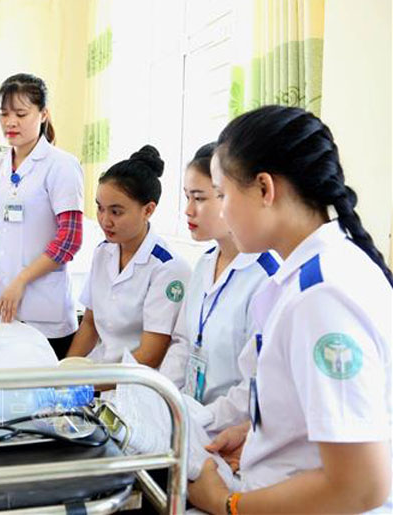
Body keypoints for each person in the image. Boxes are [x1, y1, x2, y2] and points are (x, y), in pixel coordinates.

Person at [188, 105, 391, 514]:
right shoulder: (311, 274)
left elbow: (361, 486)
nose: (221, 211)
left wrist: (228, 504)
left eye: (222, 195)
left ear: (265, 189)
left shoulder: (321, 296)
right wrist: (259, 433)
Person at [159, 142, 279, 431]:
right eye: (187, 197)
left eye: (200, 198)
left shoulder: (267, 278)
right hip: (187, 419)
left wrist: (198, 420)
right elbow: (183, 342)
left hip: (229, 431)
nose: (188, 210)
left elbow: (255, 384)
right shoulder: (204, 264)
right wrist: (161, 399)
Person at [0, 73, 84, 359]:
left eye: (20, 114)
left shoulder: (61, 166)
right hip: (1, 302)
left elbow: (69, 240)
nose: (10, 122)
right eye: (4, 114)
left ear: (43, 114)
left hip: (45, 310)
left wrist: (21, 280)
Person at [66, 145, 190, 368]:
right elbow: (90, 325)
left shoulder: (168, 268)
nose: (105, 220)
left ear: (148, 210)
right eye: (100, 208)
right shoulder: (103, 252)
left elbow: (151, 355)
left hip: (136, 379)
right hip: (99, 371)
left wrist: (90, 382)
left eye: (116, 212)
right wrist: (65, 372)